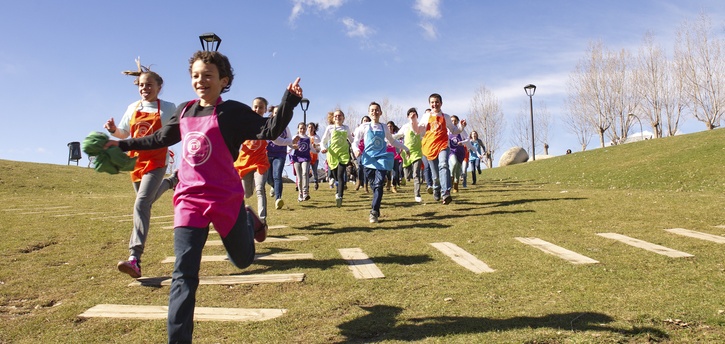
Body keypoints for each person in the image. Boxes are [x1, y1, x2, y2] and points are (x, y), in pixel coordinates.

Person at [104, 50, 303, 343]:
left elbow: (269, 129)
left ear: (223, 81)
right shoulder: (184, 111)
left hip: (225, 199)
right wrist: (121, 145)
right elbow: (158, 139)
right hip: (189, 200)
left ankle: (248, 219)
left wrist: (288, 99)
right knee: (183, 275)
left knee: (243, 260)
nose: (201, 80)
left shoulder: (233, 112)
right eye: (196, 75)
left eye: (207, 75)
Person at [103, 61, 178, 279]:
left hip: (156, 160)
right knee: (146, 201)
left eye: (149, 85)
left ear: (159, 87)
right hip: (135, 162)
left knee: (141, 203)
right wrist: (113, 130)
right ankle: (173, 182)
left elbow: (176, 130)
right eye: (142, 86)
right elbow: (124, 133)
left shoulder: (169, 108)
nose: (145, 89)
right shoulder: (133, 107)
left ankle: (134, 258)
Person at [353, 102, 409, 223]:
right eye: (372, 110)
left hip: (381, 159)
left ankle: (373, 212)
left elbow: (392, 141)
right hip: (368, 160)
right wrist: (356, 150)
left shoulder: (384, 127)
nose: (374, 112)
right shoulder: (364, 127)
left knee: (378, 185)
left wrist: (405, 148)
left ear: (380, 112)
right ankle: (377, 208)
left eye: (377, 110)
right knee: (374, 186)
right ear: (369, 112)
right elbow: (355, 141)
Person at [415, 94, 465, 205]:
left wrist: (461, 127)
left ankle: (446, 193)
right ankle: (436, 187)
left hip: (443, 145)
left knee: (443, 165)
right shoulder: (426, 116)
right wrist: (413, 121)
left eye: (437, 102)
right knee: (435, 175)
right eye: (432, 102)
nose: (435, 104)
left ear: (441, 103)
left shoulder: (445, 116)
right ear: (429, 104)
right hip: (429, 147)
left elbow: (454, 130)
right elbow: (419, 130)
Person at [233, 97, 271, 227]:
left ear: (265, 110)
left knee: (260, 189)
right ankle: (242, 216)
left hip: (260, 163)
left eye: (261, 107)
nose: (257, 109)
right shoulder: (244, 123)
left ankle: (262, 220)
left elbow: (276, 139)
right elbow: (234, 141)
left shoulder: (267, 124)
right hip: (244, 164)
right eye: (255, 106)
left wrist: (290, 143)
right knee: (247, 194)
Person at [320, 109, 354, 207]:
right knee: (335, 175)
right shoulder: (330, 128)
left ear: (343, 118)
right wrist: (323, 148)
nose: (338, 117)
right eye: (336, 116)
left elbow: (351, 140)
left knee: (340, 175)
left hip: (343, 154)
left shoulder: (346, 128)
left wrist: (357, 146)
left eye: (340, 116)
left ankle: (340, 196)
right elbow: (323, 141)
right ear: (333, 118)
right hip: (332, 154)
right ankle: (337, 190)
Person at [266, 106, 294, 210]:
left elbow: (290, 140)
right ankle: (273, 186)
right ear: (272, 114)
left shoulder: (285, 127)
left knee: (277, 175)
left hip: (280, 154)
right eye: (276, 112)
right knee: (269, 179)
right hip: (268, 154)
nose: (277, 114)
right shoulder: (268, 125)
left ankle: (278, 199)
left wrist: (294, 145)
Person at [393, 108, 424, 202]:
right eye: (410, 113)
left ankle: (417, 194)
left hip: (417, 152)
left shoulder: (421, 126)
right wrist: (388, 138)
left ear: (417, 116)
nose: (412, 115)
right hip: (406, 153)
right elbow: (397, 135)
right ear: (407, 116)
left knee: (416, 174)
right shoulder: (405, 126)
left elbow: (425, 135)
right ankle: (404, 178)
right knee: (407, 175)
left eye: (414, 113)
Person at [290, 122, 316, 201]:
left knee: (305, 173)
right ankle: (300, 193)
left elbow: (311, 148)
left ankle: (305, 192)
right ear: (298, 129)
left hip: (305, 158)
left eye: (304, 128)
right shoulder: (295, 137)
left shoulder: (308, 138)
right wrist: (291, 148)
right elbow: (290, 145)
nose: (302, 130)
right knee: (299, 176)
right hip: (297, 158)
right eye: (301, 128)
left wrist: (318, 150)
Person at [447, 115, 473, 193]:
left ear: (458, 122)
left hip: (460, 151)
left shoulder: (460, 130)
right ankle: (451, 177)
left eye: (455, 121)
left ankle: (456, 183)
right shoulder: (447, 130)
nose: (453, 122)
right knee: (454, 163)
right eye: (452, 121)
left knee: (458, 169)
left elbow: (468, 139)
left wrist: (462, 142)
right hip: (451, 151)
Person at [353, 116, 372, 192]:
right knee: (360, 167)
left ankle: (365, 185)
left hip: (368, 150)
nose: (365, 122)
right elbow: (354, 138)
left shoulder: (371, 129)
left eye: (367, 120)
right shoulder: (358, 129)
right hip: (360, 151)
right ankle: (359, 182)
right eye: (364, 120)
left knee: (366, 168)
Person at [307, 122, 321, 190]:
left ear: (314, 128)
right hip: (307, 156)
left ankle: (316, 182)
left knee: (314, 171)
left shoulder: (316, 137)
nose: (310, 129)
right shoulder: (306, 136)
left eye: (312, 127)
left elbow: (320, 145)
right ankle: (307, 184)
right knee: (306, 171)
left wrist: (316, 146)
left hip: (315, 156)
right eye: (309, 127)